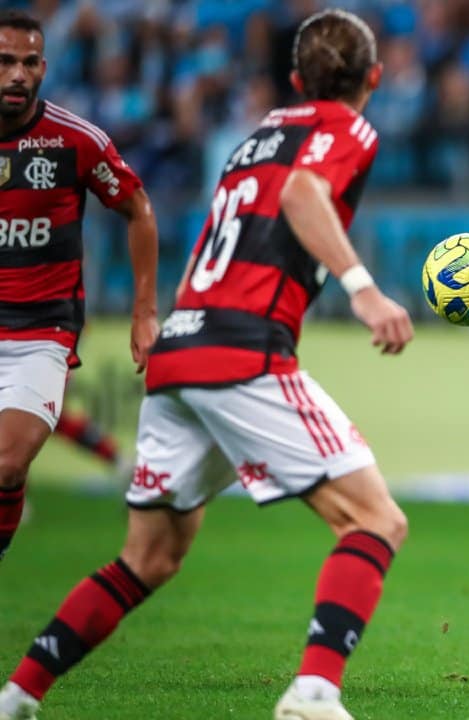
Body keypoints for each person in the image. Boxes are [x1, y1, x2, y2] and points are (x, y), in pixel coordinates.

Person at [0, 9, 415, 720]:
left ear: (293, 78)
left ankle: (18, 695)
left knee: (148, 559)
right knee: (375, 521)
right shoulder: (347, 128)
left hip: (182, 347)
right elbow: (303, 194)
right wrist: (364, 288)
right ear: (373, 78)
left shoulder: (256, 136)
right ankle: (314, 692)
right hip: (242, 351)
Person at [0, 9, 158, 562]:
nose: (18, 74)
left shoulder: (74, 141)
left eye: (28, 62)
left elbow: (138, 209)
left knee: (8, 463)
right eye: (5, 62)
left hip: (41, 330)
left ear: (44, 68)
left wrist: (143, 311)